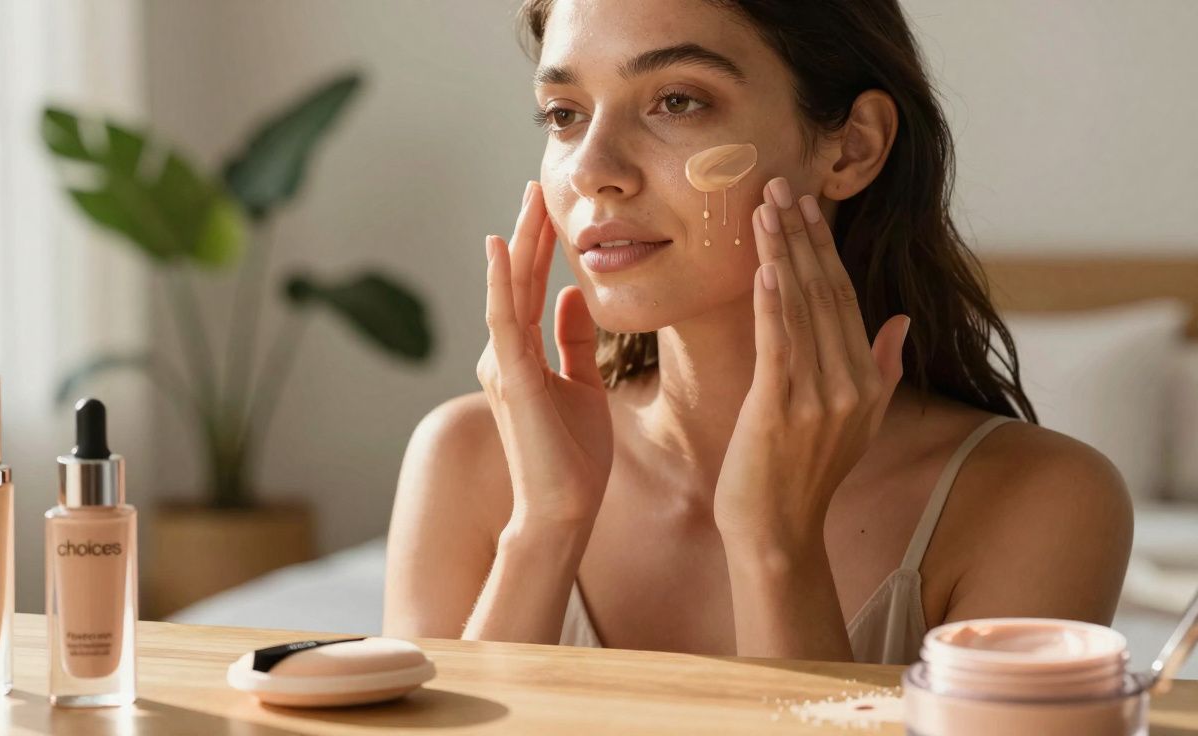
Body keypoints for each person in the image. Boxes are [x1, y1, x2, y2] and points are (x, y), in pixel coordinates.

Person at [383, 0, 1132, 664]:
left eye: (677, 101)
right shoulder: (468, 458)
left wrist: (776, 545)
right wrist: (543, 529)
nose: (591, 169)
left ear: (853, 146)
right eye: (564, 114)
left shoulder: (1038, 501)